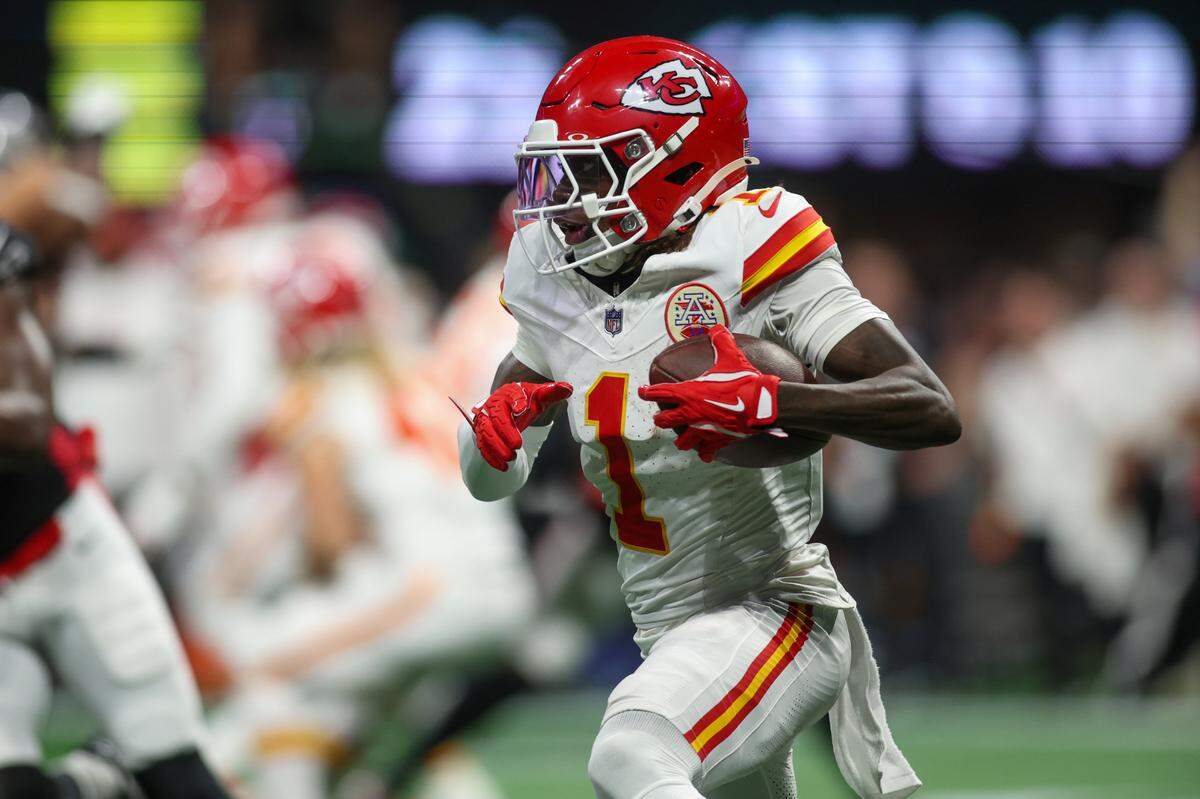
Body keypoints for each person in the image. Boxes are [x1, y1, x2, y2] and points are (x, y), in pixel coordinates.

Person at [457, 36, 960, 799]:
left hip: (775, 605)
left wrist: (774, 400)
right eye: (564, 164)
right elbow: (495, 474)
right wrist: (488, 444)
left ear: (679, 162)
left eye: (595, 165)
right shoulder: (548, 272)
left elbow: (929, 405)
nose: (565, 193)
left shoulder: (751, 238)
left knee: (632, 751)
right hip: (665, 626)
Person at [0, 222, 230, 799]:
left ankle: (124, 774)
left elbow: (27, 423)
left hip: (64, 552)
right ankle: (97, 785)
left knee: (175, 771)